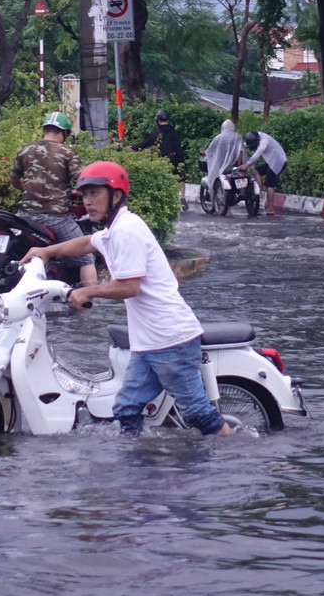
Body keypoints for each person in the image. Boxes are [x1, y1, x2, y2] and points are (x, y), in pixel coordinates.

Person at [23, 160, 233, 437]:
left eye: (95, 193)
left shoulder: (126, 231)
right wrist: (48, 251)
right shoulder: (113, 230)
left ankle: (236, 455)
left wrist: (88, 290)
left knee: (197, 413)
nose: (87, 201)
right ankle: (139, 468)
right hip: (149, 343)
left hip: (172, 340)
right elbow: (88, 242)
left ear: (116, 196)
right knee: (126, 409)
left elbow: (128, 287)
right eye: (84, 195)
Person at [10, 112, 98, 287]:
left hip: (24, 218)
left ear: (44, 129)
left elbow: (13, 178)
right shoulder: (67, 153)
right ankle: (89, 300)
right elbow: (82, 180)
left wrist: (27, 189)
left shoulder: (26, 149)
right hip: (56, 219)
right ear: (64, 133)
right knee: (86, 256)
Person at [132, 109, 187, 208]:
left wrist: (132, 148)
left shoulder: (155, 133)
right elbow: (179, 149)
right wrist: (181, 163)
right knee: (181, 179)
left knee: (161, 181)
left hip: (160, 162)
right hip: (174, 160)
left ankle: (166, 201)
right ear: (168, 120)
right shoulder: (174, 133)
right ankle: (182, 196)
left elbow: (143, 144)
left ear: (157, 121)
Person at [239, 130, 287, 214]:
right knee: (256, 170)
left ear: (258, 139)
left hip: (279, 162)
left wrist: (247, 164)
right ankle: (258, 193)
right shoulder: (255, 137)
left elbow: (257, 153)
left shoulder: (265, 140)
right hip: (271, 161)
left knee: (269, 184)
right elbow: (243, 146)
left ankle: (271, 208)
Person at [200, 118, 244, 202]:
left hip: (220, 167)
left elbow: (210, 151)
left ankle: (212, 194)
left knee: (212, 178)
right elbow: (240, 152)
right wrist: (239, 166)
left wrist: (203, 152)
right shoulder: (238, 136)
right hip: (234, 167)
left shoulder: (218, 138)